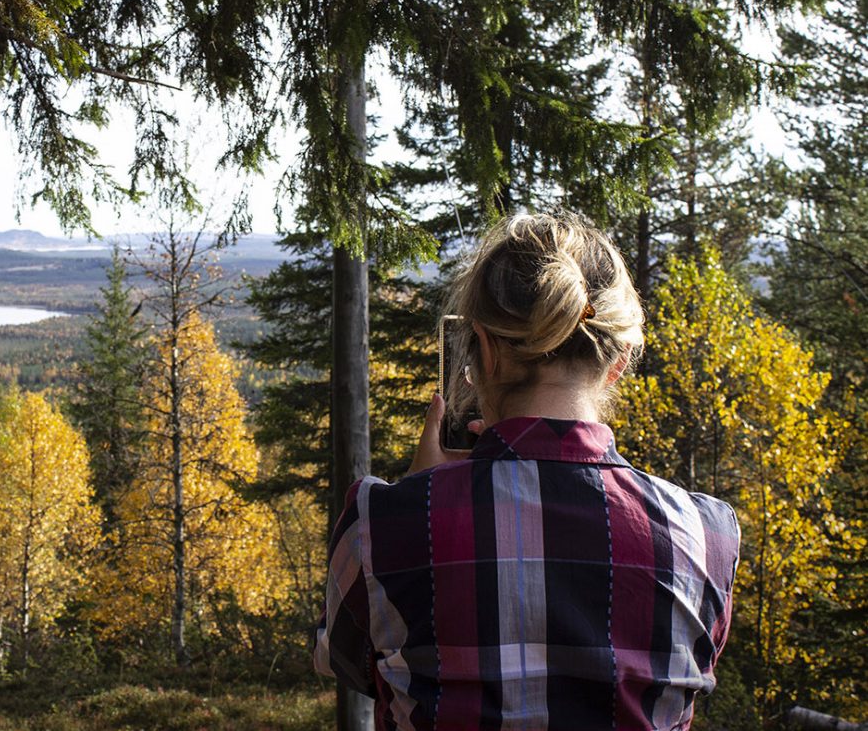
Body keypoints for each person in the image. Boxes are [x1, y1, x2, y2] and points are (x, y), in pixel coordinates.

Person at [314, 212, 740, 731]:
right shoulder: (705, 535)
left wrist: (413, 497)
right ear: (620, 361)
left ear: (485, 350)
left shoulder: (380, 523)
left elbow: (344, 660)